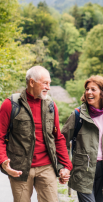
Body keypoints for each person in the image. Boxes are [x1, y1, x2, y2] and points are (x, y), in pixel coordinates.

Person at [0, 66, 72, 202]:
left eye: (49, 83)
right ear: (32, 82)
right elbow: (0, 137)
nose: (48, 87)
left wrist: (66, 165)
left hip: (47, 167)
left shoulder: (51, 105)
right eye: (45, 83)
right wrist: (3, 160)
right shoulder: (11, 104)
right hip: (19, 169)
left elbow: (58, 138)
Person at [61, 75, 103, 202]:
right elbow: (62, 140)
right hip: (83, 171)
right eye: (87, 89)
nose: (89, 92)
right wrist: (64, 166)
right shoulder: (78, 115)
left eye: (93, 89)